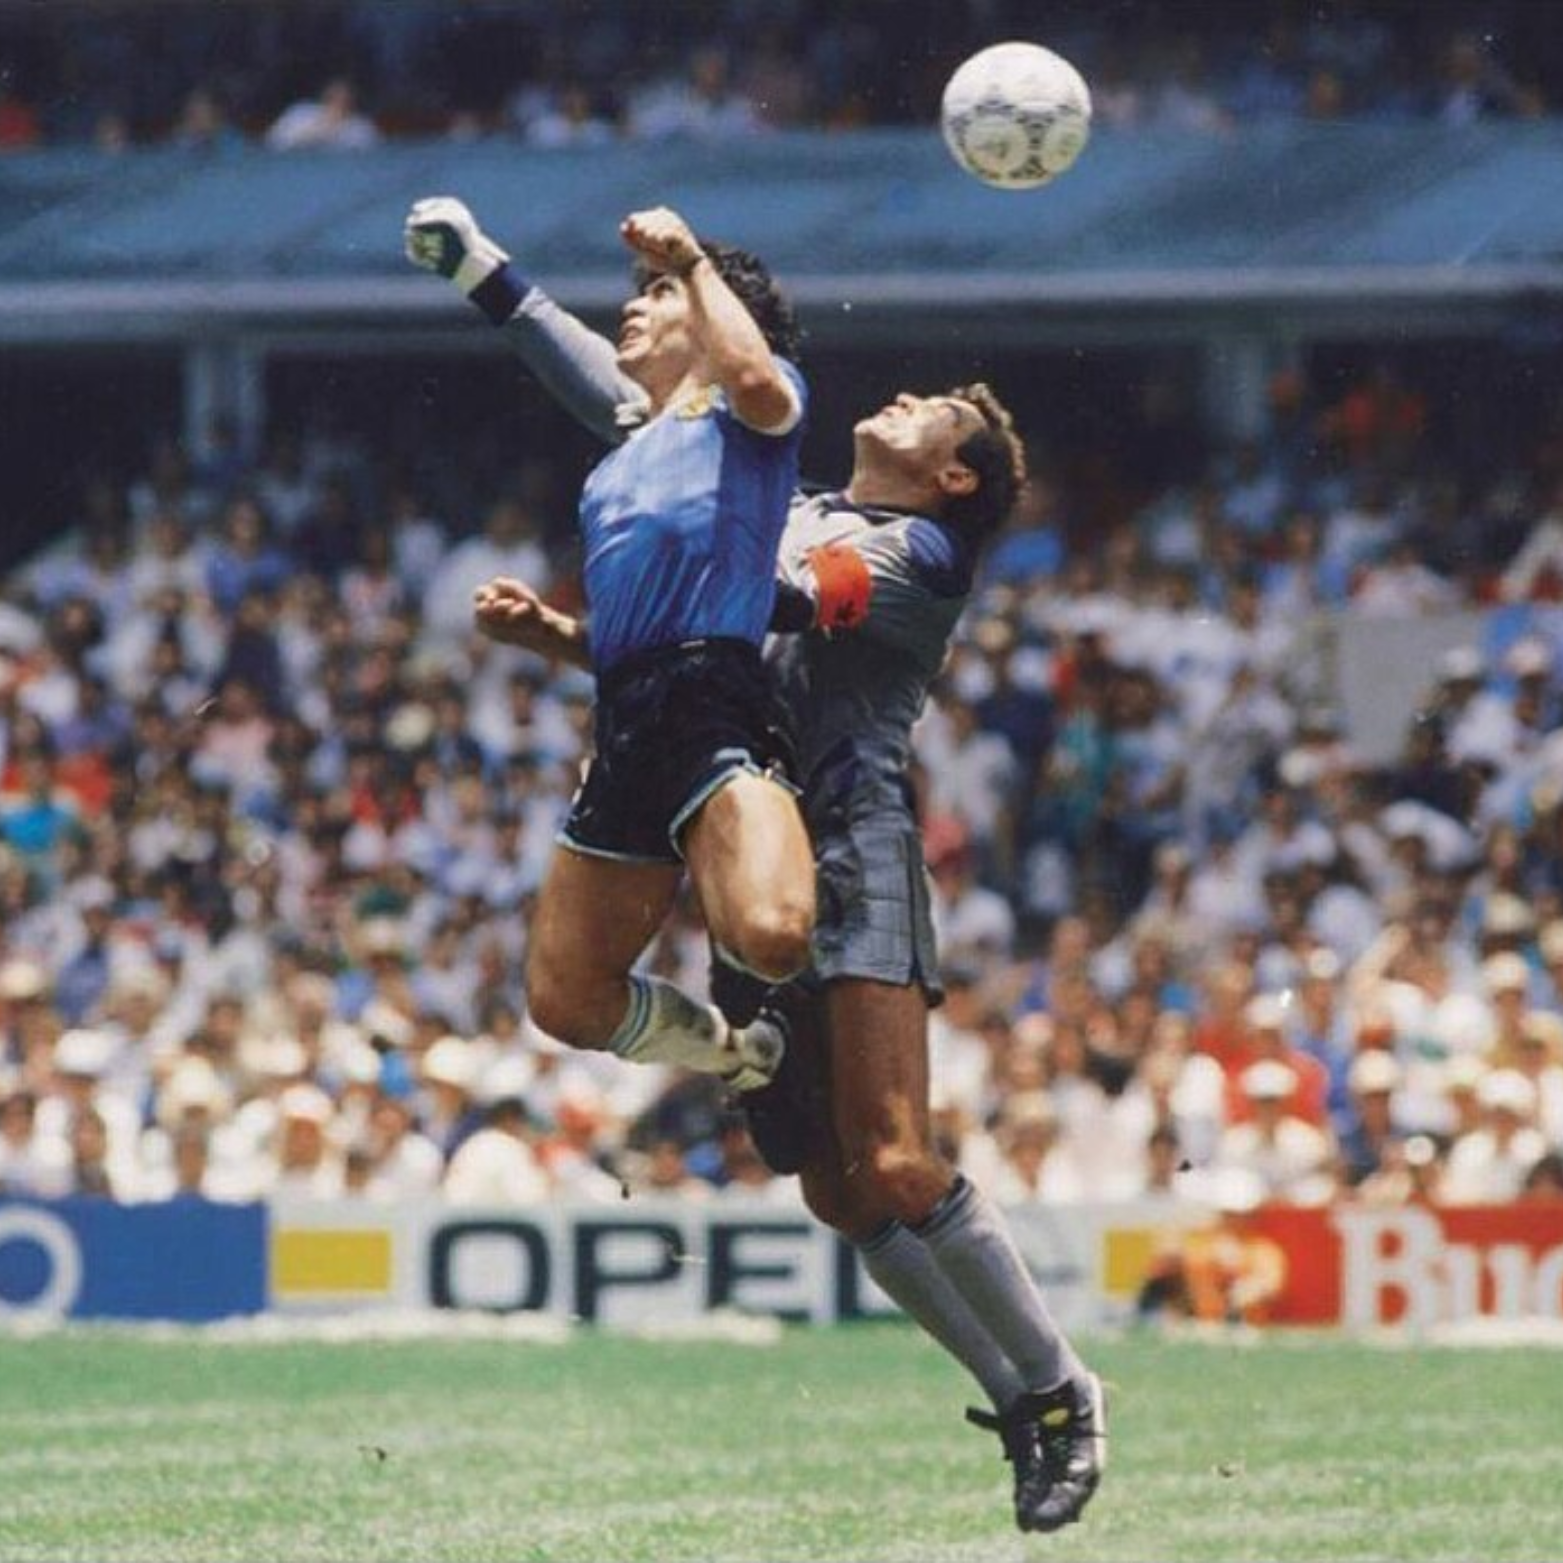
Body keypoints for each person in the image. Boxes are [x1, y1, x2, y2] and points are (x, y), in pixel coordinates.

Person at [437, 216, 1103, 1532]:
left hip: (846, 843)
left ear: (954, 477)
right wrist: (568, 635)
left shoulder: (917, 553)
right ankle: (1011, 1396)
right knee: (835, 1188)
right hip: (737, 810)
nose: (900, 398)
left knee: (897, 1159)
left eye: (931, 412)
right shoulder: (790, 503)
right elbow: (661, 508)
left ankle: (1061, 1385)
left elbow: (779, 603)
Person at [405, 197, 815, 1105]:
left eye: (656, 294)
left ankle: (806, 919)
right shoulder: (622, 458)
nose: (632, 305)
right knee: (565, 999)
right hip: (626, 715)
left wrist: (693, 262)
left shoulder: (753, 410)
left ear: (709, 314)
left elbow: (748, 374)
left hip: (716, 701)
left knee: (773, 935)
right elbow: (569, 355)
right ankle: (740, 1053)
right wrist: (549, 634)